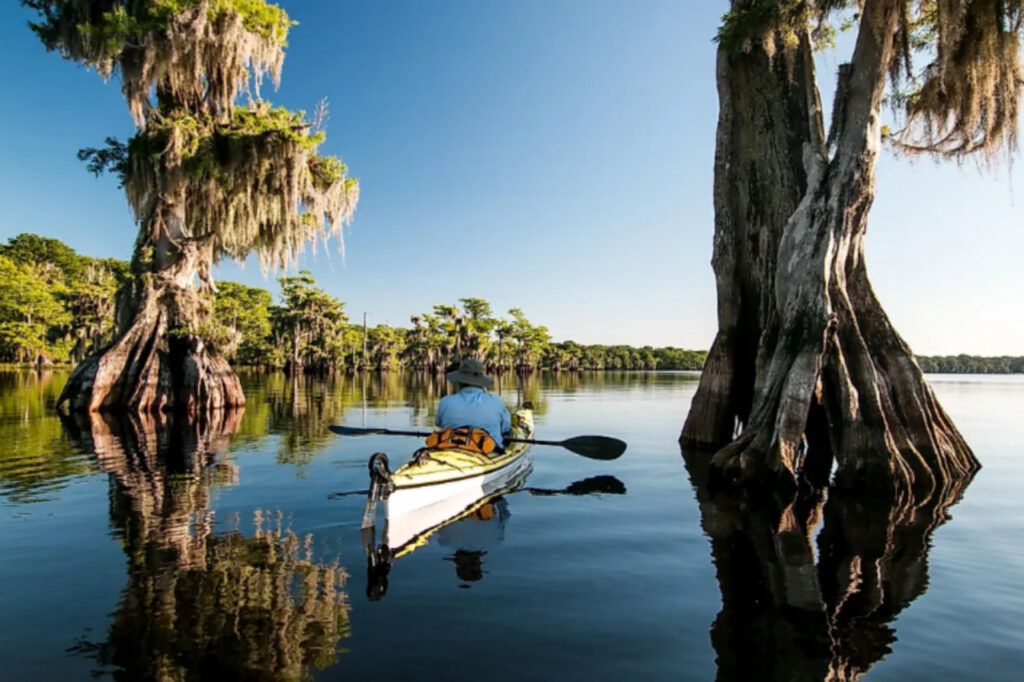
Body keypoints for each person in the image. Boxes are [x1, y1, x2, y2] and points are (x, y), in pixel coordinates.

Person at [435, 357, 511, 448]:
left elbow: (438, 422)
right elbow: (505, 427)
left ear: (459, 382)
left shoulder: (445, 401)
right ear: (481, 382)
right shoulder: (496, 401)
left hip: (451, 446)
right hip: (488, 449)